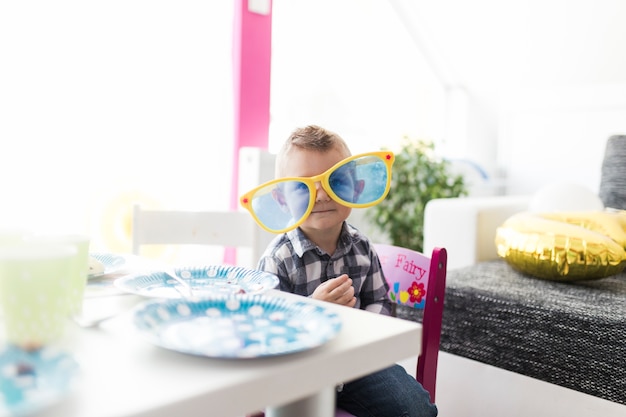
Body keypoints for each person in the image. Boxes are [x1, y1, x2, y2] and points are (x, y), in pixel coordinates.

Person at [250, 125, 438, 417]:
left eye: (336, 181)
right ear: (282, 200)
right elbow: (266, 332)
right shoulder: (280, 258)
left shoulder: (361, 247)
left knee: (415, 408)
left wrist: (358, 328)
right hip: (300, 370)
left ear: (357, 187)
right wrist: (312, 311)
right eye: (303, 187)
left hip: (357, 366)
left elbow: (381, 304)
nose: (322, 195)